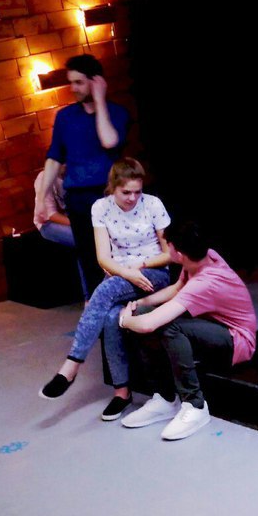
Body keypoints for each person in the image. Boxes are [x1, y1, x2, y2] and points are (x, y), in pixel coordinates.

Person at [39, 159, 171, 421]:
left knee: (104, 291)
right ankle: (122, 393)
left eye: (137, 191)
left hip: (153, 273)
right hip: (121, 276)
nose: (133, 198)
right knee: (110, 317)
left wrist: (140, 266)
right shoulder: (100, 208)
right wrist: (126, 272)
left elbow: (169, 254)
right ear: (113, 187)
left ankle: (72, 365)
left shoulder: (153, 204)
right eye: (126, 192)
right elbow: (103, 257)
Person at [118, 220, 257, 441]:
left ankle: (195, 405)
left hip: (237, 340)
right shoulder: (202, 257)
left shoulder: (205, 282)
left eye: (169, 247)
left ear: (180, 254)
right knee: (143, 312)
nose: (167, 250)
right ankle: (165, 399)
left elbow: (148, 325)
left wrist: (125, 320)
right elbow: (176, 289)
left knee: (167, 325)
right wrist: (139, 304)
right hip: (210, 326)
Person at [37, 53, 130, 298]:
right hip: (77, 198)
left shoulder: (116, 112)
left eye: (79, 82)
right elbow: (54, 158)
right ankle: (96, 307)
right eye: (71, 82)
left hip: (108, 194)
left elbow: (109, 141)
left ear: (96, 81)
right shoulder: (65, 117)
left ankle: (125, 305)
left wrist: (99, 101)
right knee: (88, 257)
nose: (73, 88)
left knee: (117, 253)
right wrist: (41, 199)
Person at [33, 165, 86, 298]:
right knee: (83, 241)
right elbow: (50, 215)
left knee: (91, 238)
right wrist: (81, 225)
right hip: (47, 224)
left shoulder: (74, 175)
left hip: (71, 219)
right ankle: (89, 297)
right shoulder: (44, 178)